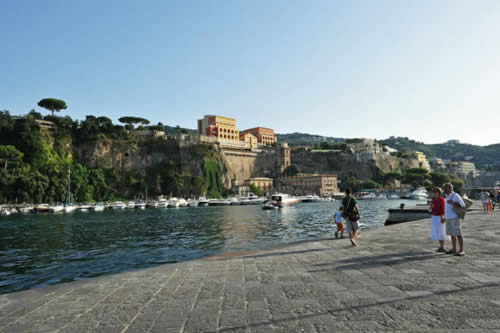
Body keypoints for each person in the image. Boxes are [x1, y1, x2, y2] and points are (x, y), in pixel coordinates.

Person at [444, 183, 466, 256]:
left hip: (454, 217)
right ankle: (454, 249)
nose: (447, 189)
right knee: (452, 234)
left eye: (449, 187)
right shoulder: (446, 196)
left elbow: (463, 205)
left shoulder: (455, 195)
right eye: (446, 188)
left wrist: (452, 202)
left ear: (451, 188)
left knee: (458, 234)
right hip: (448, 217)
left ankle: (461, 250)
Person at [429, 187, 449, 252]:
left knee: (441, 232)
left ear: (439, 193)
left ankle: (442, 247)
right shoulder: (433, 199)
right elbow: (431, 208)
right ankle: (441, 246)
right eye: (433, 192)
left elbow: (443, 210)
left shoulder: (441, 200)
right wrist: (430, 205)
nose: (434, 193)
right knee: (437, 232)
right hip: (434, 217)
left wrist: (442, 217)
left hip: (439, 217)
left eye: (435, 192)